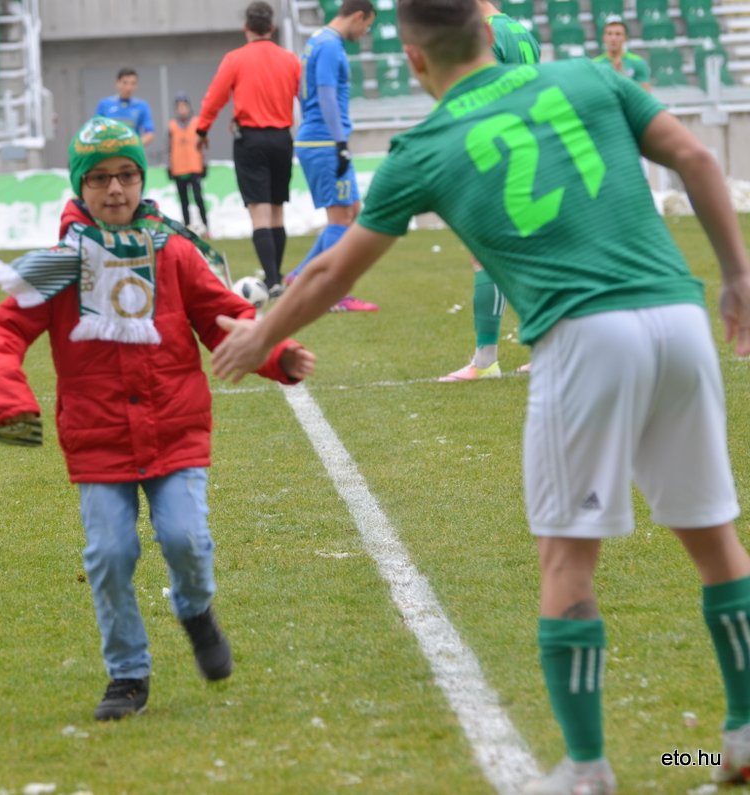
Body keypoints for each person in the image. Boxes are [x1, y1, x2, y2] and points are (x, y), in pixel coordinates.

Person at [210, 0, 750, 792]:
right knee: (714, 540)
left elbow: (330, 270)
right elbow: (697, 158)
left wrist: (262, 331)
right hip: (677, 317)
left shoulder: (424, 146)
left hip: (584, 337)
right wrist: (736, 276)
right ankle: (740, 735)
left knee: (567, 559)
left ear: (413, 59)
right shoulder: (589, 76)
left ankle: (586, 769)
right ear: (490, 33)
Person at [0, 117, 315, 722]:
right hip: (97, 438)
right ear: (80, 186)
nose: (115, 189)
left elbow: (224, 317)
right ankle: (128, 673)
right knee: (109, 555)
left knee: (187, 540)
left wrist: (277, 352)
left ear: (142, 179)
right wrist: (7, 397)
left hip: (175, 429)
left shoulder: (174, 251)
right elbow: (1, 330)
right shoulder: (61, 264)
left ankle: (195, 609)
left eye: (127, 175)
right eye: (100, 178)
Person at [439, 0, 542, 381]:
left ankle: (486, 360)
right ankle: (546, 350)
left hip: (500, 150)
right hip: (528, 144)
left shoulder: (484, 33)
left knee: (484, 254)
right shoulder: (520, 30)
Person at [196, 1, 301, 298]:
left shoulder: (235, 59)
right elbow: (302, 96)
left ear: (246, 27)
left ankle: (272, 279)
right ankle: (275, 275)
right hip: (282, 139)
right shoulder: (290, 59)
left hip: (251, 140)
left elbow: (214, 97)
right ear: (272, 27)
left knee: (259, 212)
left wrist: (202, 130)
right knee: (277, 210)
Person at [286, 0, 379, 313]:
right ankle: (334, 294)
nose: (365, 33)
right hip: (324, 141)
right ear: (357, 16)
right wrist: (339, 142)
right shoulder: (328, 46)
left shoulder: (317, 41)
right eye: (366, 26)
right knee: (341, 218)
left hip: (322, 139)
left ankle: (300, 276)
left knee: (352, 211)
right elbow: (326, 95)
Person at [167, 93, 211, 236]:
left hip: (194, 167)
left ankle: (206, 228)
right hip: (179, 169)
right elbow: (168, 148)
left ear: (189, 107)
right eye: (179, 107)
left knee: (198, 198)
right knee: (184, 201)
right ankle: (187, 230)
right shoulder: (172, 126)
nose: (182, 109)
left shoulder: (197, 123)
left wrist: (204, 164)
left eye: (184, 106)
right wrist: (169, 167)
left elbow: (204, 144)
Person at [94, 67, 156, 145]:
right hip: (109, 150)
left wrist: (135, 145)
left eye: (133, 83)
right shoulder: (104, 104)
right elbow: (95, 129)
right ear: (117, 83)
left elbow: (150, 133)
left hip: (132, 150)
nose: (129, 87)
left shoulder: (142, 106)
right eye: (125, 83)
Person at [593, 15, 651, 89]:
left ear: (625, 38)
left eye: (618, 34)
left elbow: (645, 92)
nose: (613, 38)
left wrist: (622, 74)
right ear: (603, 37)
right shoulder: (594, 64)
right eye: (609, 34)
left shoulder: (638, 62)